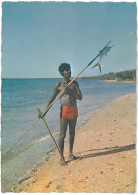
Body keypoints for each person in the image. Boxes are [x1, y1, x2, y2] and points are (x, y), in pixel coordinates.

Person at [42, 63, 82, 166]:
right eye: (66, 70)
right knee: (62, 134)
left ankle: (70, 153)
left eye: (69, 70)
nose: (69, 72)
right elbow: (52, 99)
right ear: (61, 73)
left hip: (74, 109)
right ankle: (62, 158)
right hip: (64, 110)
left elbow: (80, 97)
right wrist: (45, 112)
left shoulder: (75, 83)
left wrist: (69, 91)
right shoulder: (58, 85)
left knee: (72, 133)